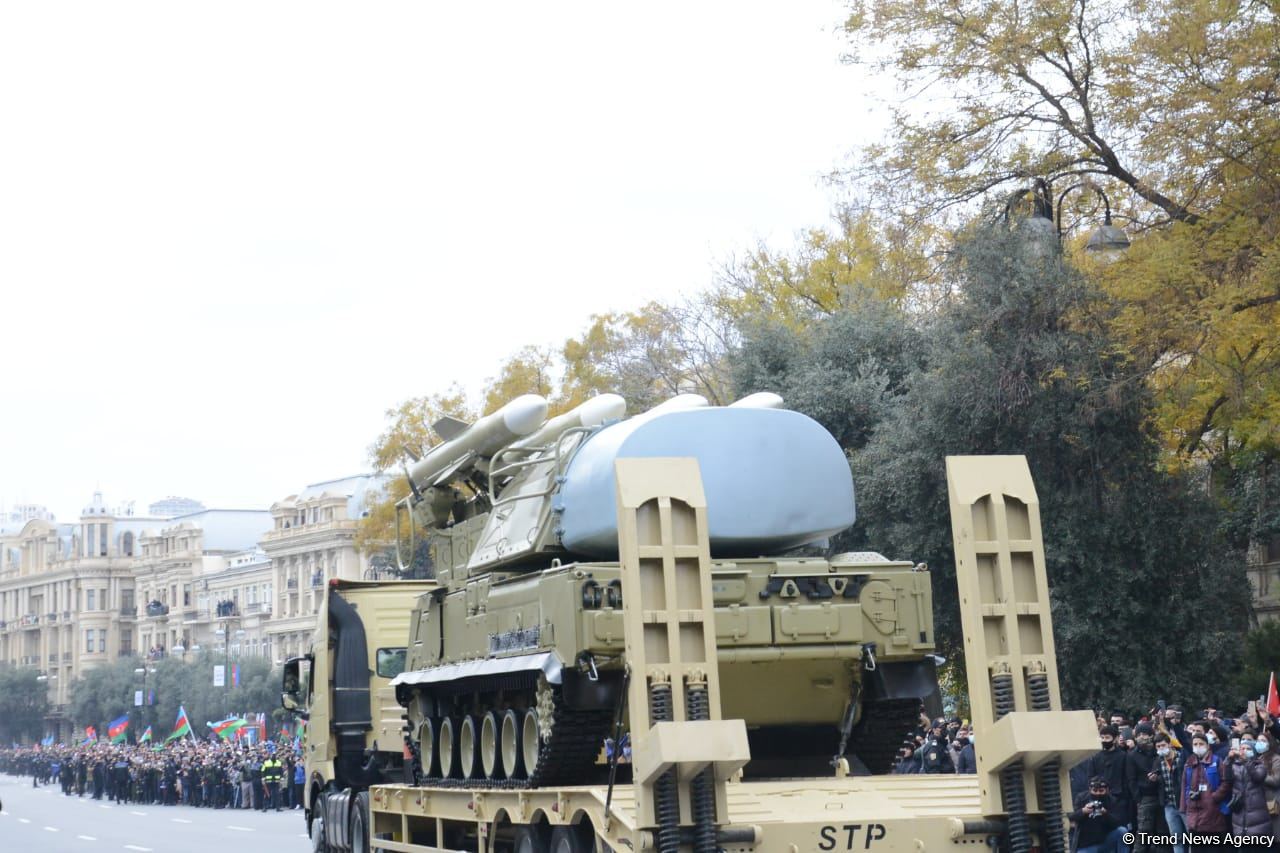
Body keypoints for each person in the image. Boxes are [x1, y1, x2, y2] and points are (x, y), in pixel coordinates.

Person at [1224, 730, 1278, 844]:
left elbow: (1257, 777)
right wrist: (1229, 760)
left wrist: (1247, 761)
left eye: (1248, 749)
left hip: (1258, 818)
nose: (1244, 751)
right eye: (1242, 748)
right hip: (1240, 818)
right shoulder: (1235, 766)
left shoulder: (1259, 765)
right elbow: (1227, 778)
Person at [1181, 732, 1229, 853]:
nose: (1198, 746)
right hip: (1194, 816)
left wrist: (1215, 797)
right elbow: (1184, 785)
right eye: (1195, 744)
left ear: (1207, 745)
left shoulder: (1217, 761)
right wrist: (1185, 803)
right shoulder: (1189, 763)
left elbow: (1226, 782)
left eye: (1201, 744)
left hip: (1213, 815)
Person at [1086, 726, 1133, 826]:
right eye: (1102, 737)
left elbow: (1127, 778)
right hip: (1099, 797)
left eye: (1107, 738)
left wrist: (1124, 796)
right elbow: (1091, 776)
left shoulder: (1123, 756)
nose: (1104, 740)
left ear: (1115, 738)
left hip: (1118, 797)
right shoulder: (1096, 756)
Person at [1071, 776, 1129, 853]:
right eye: (1094, 791)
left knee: (1122, 831)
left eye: (1101, 791)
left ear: (1107, 790)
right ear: (1089, 789)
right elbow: (1072, 817)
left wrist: (1105, 813)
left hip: (1105, 841)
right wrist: (1083, 811)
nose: (1098, 793)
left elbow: (1117, 822)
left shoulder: (1112, 800)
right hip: (1086, 845)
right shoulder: (1081, 798)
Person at [1125, 722, 1160, 853]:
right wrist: (1138, 799)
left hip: (1162, 795)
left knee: (1162, 831)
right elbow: (1131, 779)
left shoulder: (1159, 751)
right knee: (1143, 831)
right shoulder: (1132, 755)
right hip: (1145, 797)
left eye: (1144, 734)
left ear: (1151, 735)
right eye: (1139, 734)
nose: (1141, 737)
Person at [1154, 733, 1187, 853]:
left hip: (1184, 803)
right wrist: (1154, 779)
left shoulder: (1180, 757)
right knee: (1176, 838)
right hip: (1169, 804)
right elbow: (1158, 780)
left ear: (1169, 744)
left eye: (1163, 745)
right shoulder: (1158, 761)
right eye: (1158, 746)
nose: (1161, 748)